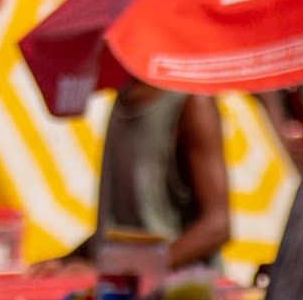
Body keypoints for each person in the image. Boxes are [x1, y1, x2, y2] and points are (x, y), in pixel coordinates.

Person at [68, 73, 234, 277]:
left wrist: (128, 272)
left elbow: (217, 226)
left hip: (183, 288)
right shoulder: (122, 100)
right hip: (125, 284)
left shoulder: (192, 102)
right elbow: (125, 228)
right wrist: (65, 262)